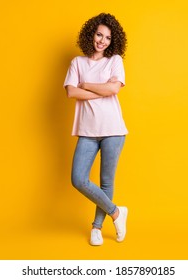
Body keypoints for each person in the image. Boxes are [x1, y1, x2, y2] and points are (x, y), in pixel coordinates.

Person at [63, 13, 128, 246]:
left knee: (106, 183)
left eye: (108, 38)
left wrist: (87, 85)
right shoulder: (77, 63)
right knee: (78, 179)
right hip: (87, 132)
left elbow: (113, 90)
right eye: (99, 35)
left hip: (113, 130)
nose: (102, 41)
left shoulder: (115, 60)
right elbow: (71, 92)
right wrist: (100, 89)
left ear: (113, 41)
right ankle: (117, 212)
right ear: (91, 34)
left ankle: (96, 228)